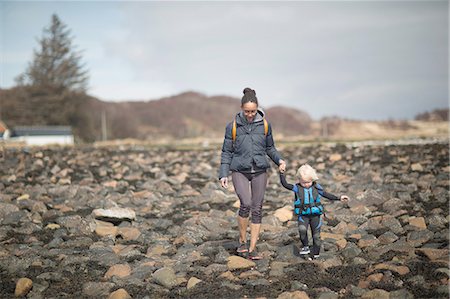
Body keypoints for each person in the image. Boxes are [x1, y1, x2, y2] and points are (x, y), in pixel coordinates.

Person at [219, 87, 286, 260]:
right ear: (241, 108)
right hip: (239, 170)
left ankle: (252, 247)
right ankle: (242, 241)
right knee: (245, 204)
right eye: (247, 111)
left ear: (257, 109)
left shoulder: (264, 125)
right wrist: (223, 174)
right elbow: (226, 152)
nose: (250, 114)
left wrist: (279, 160)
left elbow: (270, 148)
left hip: (259, 170)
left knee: (257, 208)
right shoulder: (232, 127)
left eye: (253, 111)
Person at [280, 164, 349, 260]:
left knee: (316, 236)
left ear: (313, 179)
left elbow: (326, 194)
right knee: (302, 230)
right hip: (303, 215)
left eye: (309, 182)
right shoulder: (297, 188)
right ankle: (305, 246)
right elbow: (285, 184)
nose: (306, 184)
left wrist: (339, 198)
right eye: (303, 182)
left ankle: (316, 255)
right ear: (299, 179)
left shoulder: (316, 187)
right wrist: (281, 173)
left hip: (315, 216)